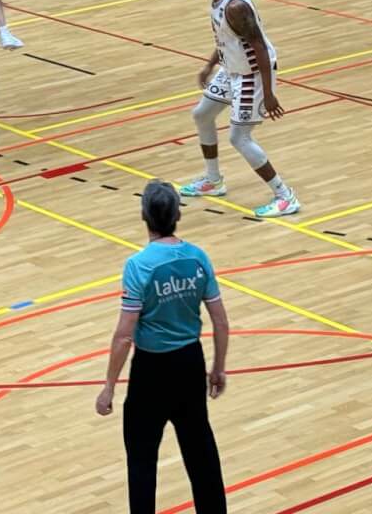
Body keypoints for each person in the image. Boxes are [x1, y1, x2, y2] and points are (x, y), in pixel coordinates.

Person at [95, 180, 228, 514]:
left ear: (144, 216)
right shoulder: (198, 258)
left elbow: (124, 335)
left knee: (142, 461)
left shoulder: (139, 265)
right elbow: (220, 321)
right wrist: (218, 368)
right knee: (201, 454)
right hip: (190, 365)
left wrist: (109, 385)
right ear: (177, 216)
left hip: (151, 372)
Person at [180, 0, 298, 217]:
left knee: (239, 137)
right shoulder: (219, 1)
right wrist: (210, 66)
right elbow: (227, 39)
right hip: (232, 69)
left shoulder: (235, 7)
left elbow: (260, 48)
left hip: (251, 73)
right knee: (202, 114)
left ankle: (285, 196)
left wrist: (268, 94)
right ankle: (213, 181)